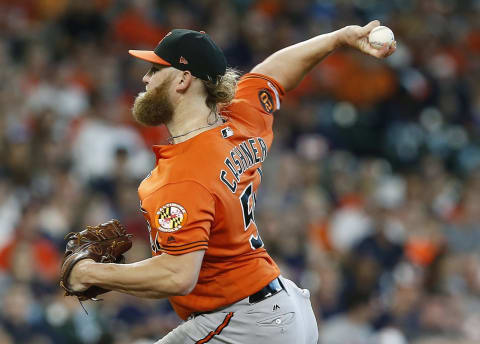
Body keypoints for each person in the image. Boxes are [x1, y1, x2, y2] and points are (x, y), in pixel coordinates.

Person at [67, 21, 396, 343]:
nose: (145, 78)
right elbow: (274, 72)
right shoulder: (240, 117)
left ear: (183, 79)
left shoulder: (180, 176)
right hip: (278, 309)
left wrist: (89, 273)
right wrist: (337, 39)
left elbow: (177, 276)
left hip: (248, 324)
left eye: (155, 70)